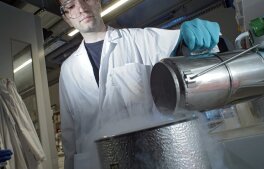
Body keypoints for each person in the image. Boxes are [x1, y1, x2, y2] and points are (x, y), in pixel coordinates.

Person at [57, 0, 220, 168]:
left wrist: (195, 41)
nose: (82, 8)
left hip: (149, 158)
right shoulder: (69, 70)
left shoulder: (141, 40)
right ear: (67, 18)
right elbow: (70, 134)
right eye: (71, 6)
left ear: (98, 2)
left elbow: (191, 48)